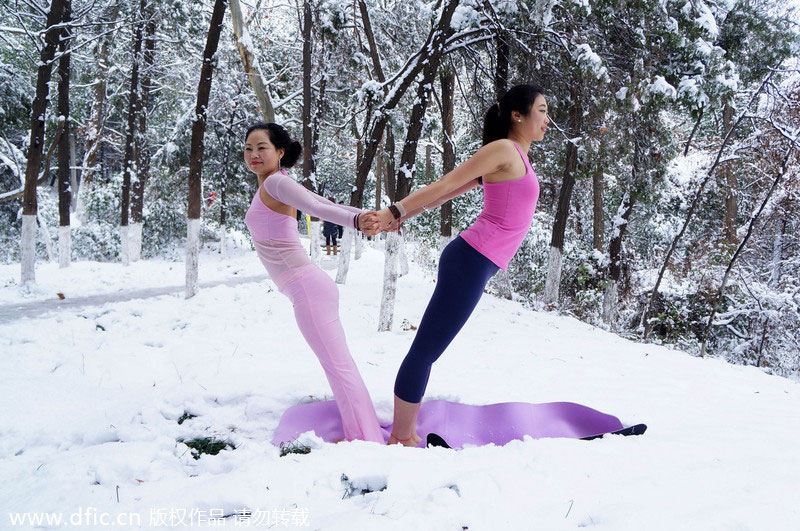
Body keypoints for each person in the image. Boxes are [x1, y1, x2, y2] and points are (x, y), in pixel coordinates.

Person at [375, 84, 549, 446]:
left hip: (476, 263)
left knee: (427, 350)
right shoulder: (503, 149)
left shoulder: (516, 156)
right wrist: (395, 211)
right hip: (470, 260)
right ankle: (402, 437)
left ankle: (403, 432)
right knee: (425, 351)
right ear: (518, 115)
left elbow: (452, 192)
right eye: (542, 110)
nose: (547, 119)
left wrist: (404, 216)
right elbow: (444, 183)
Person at [243, 122, 384, 443]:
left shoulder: (276, 182)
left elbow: (318, 207)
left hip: (307, 288)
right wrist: (361, 215)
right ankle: (365, 433)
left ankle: (366, 440)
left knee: (339, 368)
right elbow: (323, 203)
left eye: (261, 147)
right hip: (308, 288)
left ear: (279, 152)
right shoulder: (275, 183)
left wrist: (357, 220)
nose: (253, 154)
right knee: (339, 366)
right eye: (249, 148)